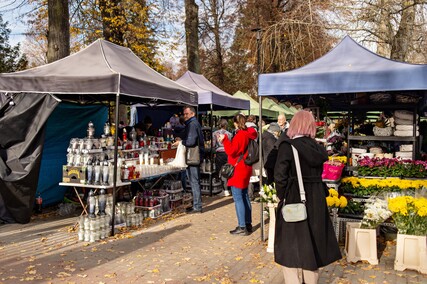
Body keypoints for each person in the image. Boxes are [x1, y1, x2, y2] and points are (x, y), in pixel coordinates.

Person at [273, 110, 341, 283]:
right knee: (313, 246)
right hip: (316, 200)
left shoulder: (288, 147)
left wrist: (283, 196)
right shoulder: (318, 148)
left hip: (295, 198)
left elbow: (279, 177)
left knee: (291, 247)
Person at [218, 114, 257, 235]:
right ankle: (247, 224)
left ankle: (242, 226)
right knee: (244, 196)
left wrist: (224, 140)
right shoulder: (248, 133)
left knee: (238, 198)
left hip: (238, 169)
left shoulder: (240, 135)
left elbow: (231, 151)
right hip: (245, 167)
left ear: (235, 123)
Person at [173, 106, 204, 214]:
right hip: (195, 156)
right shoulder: (193, 123)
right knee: (194, 181)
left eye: (187, 114)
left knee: (194, 181)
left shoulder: (192, 124)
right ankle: (196, 204)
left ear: (193, 114)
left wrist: (181, 142)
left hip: (193, 156)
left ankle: (197, 206)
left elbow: (191, 142)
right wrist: (182, 140)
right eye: (184, 114)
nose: (185, 116)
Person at [212, 119, 232, 196]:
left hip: (219, 153)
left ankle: (224, 189)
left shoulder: (215, 133)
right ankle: (228, 188)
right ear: (226, 125)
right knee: (228, 170)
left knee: (221, 171)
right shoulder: (229, 134)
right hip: (227, 153)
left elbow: (213, 145)